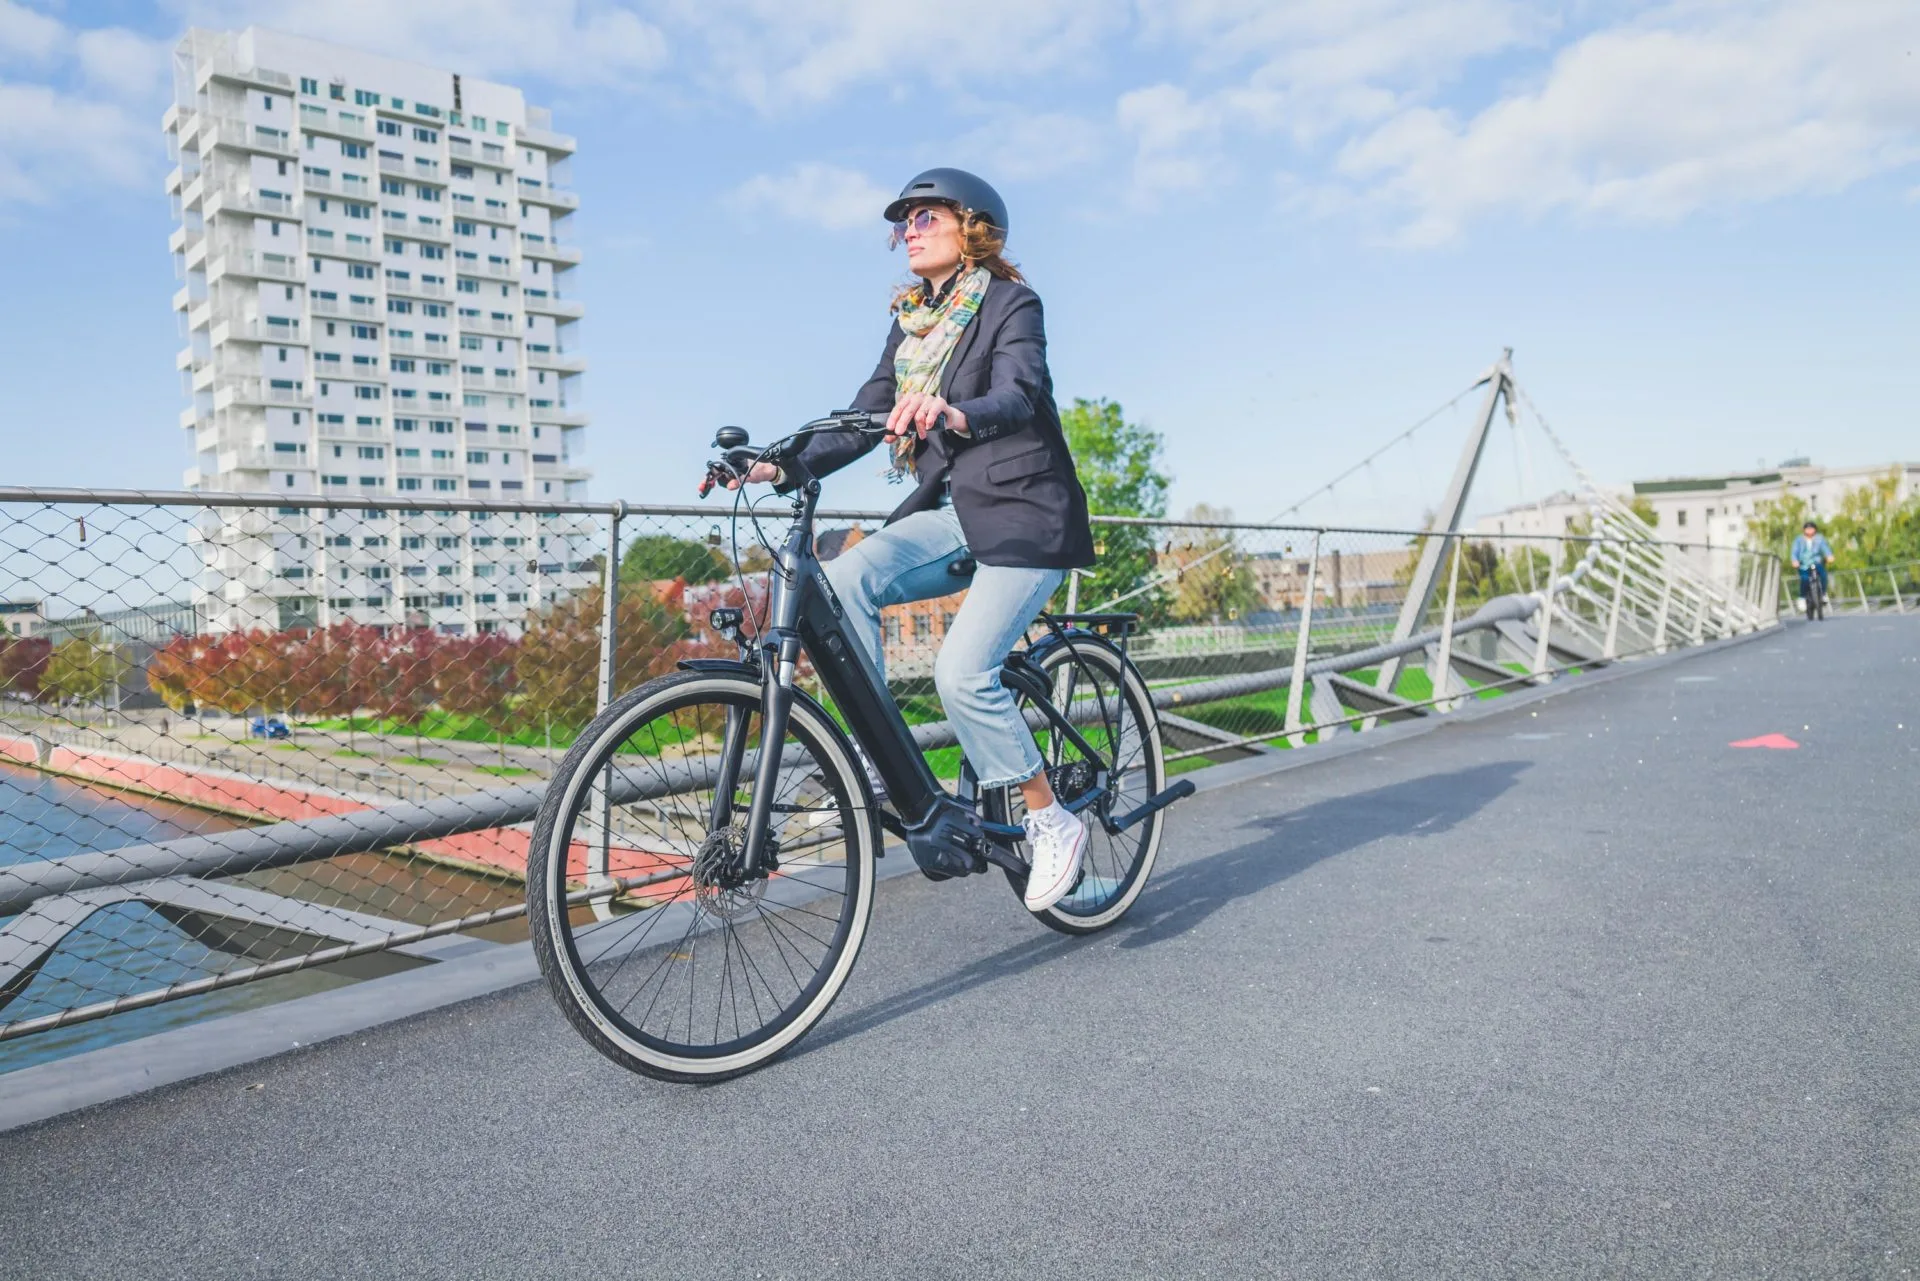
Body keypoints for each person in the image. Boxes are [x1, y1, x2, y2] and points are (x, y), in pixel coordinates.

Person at [731, 168, 1096, 912]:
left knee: (961, 673)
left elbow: (1019, 392)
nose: (910, 230)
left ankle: (1050, 816)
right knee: (841, 579)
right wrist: (778, 462)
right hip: (959, 514)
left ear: (974, 227)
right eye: (905, 222)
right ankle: (875, 756)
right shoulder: (911, 325)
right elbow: (865, 415)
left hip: (1027, 515)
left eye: (927, 216)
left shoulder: (1010, 304)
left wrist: (954, 414)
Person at [1791, 520, 1833, 612]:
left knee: (1823, 575)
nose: (1810, 531)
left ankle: (1823, 594)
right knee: (1804, 579)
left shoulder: (1819, 538)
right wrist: (1795, 560)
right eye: (1808, 529)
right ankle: (1802, 598)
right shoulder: (1799, 540)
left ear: (1815, 530)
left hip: (1816, 562)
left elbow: (1825, 548)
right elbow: (1794, 552)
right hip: (1803, 564)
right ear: (1804, 530)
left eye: (1811, 528)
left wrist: (1829, 555)